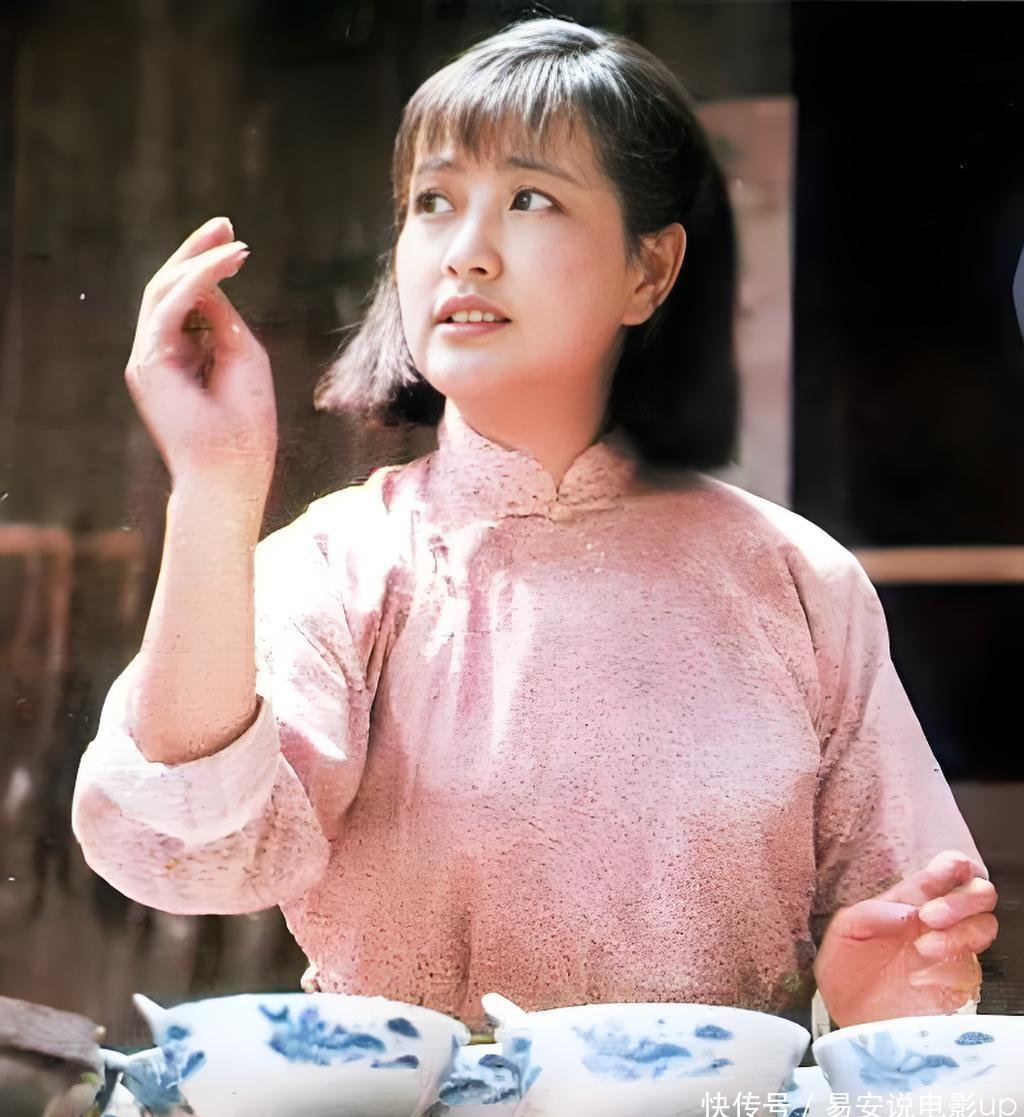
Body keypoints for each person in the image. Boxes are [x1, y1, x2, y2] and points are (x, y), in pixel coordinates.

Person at [71, 17, 997, 1034]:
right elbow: (189, 849)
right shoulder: (342, 565)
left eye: (529, 199)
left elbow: (913, 961)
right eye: (433, 203)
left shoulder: (796, 578)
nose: (465, 253)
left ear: (649, 271)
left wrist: (879, 997)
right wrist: (214, 484)